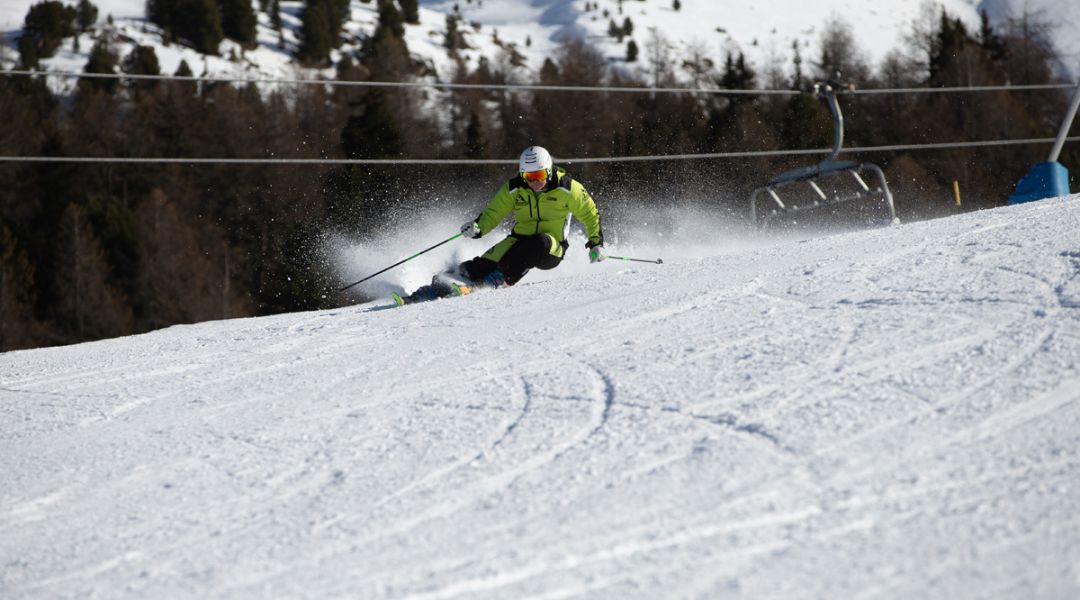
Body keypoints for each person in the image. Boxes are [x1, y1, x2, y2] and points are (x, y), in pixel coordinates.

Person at [398, 146, 605, 304]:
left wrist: (596, 243)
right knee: (481, 264)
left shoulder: (568, 188)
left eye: (539, 176)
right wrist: (478, 227)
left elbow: (590, 213)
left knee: (536, 243)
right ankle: (430, 290)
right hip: (518, 240)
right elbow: (494, 212)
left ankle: (497, 280)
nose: (534, 182)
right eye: (528, 177)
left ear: (549, 171)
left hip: (550, 247)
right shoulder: (515, 188)